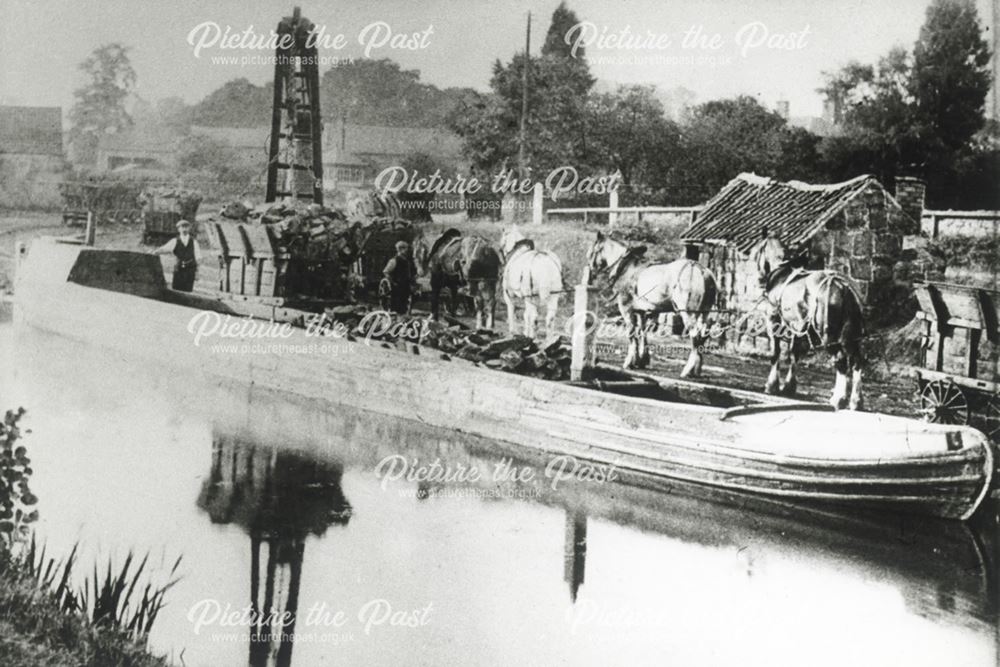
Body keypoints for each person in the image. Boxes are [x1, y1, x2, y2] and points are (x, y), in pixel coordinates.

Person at [151, 219, 200, 292]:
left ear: (189, 228)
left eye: (186, 227)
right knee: (176, 290)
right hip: (179, 269)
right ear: (178, 229)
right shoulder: (175, 241)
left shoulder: (194, 242)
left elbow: (198, 258)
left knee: (188, 291)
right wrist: (154, 252)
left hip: (190, 270)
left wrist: (197, 272)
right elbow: (164, 249)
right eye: (182, 227)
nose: (184, 229)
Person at [382, 241, 417, 314]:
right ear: (399, 249)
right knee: (396, 306)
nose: (406, 250)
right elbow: (386, 271)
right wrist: (392, 282)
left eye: (406, 248)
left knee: (404, 305)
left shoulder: (407, 261)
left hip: (405, 285)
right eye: (404, 248)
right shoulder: (394, 260)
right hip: (397, 286)